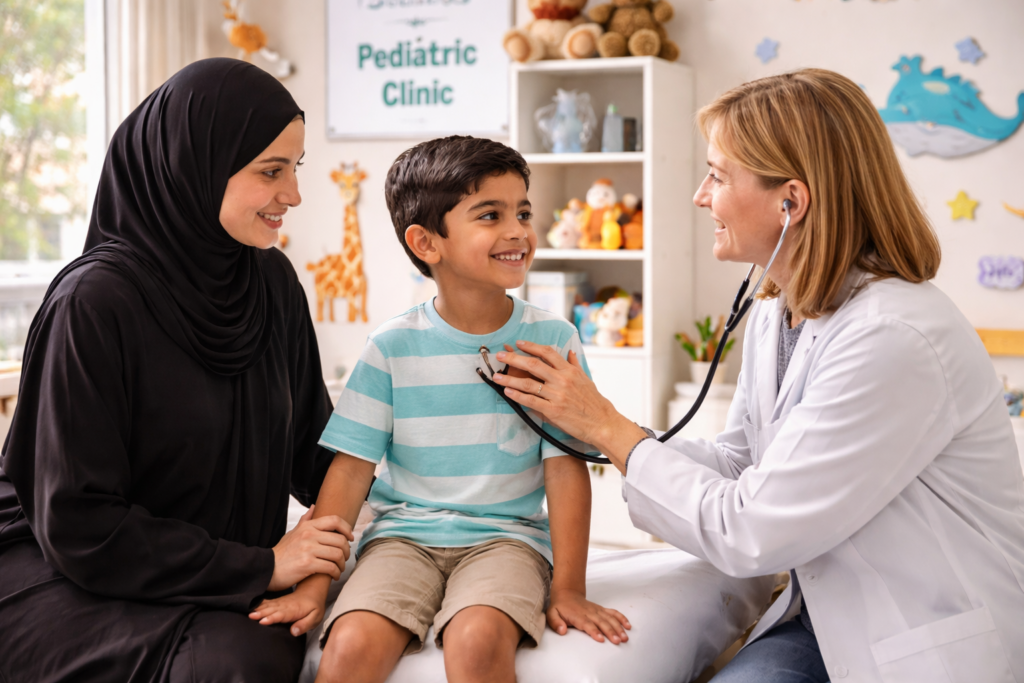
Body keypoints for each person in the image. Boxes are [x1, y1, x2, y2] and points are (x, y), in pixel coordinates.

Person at [490, 69, 1024, 682]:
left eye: (717, 176)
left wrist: (613, 433)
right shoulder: (780, 310)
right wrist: (597, 433)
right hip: (821, 619)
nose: (699, 195)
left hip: (917, 637)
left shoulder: (891, 337)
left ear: (790, 201)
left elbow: (751, 528)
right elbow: (744, 462)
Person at [0, 58, 349, 682]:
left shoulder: (271, 283)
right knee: (236, 665)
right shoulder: (94, 302)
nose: (293, 195)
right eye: (271, 172)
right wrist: (265, 568)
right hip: (70, 568)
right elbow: (79, 523)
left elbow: (318, 453)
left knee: (266, 645)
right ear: (196, 166)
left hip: (216, 567)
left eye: (295, 170)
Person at [250, 136, 631, 683]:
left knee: (477, 641)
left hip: (508, 541)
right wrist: (313, 586)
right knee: (350, 646)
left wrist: (569, 589)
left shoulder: (553, 338)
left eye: (523, 211)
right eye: (490, 215)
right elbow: (350, 473)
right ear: (427, 243)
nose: (518, 230)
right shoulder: (390, 347)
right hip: (401, 539)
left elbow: (566, 468)